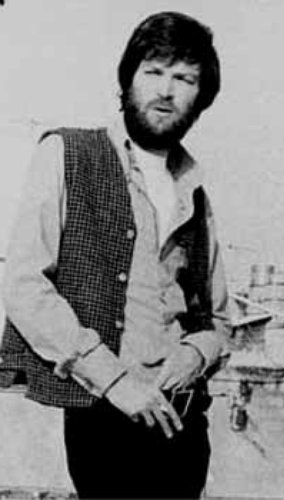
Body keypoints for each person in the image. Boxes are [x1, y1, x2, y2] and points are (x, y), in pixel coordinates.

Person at [0, 11, 230, 499]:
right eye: (153, 71)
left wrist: (197, 353)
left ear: (202, 97)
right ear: (127, 80)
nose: (166, 90)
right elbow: (25, 286)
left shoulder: (195, 190)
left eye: (184, 78)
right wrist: (113, 379)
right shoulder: (67, 154)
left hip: (185, 419)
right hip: (104, 413)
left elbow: (218, 318)